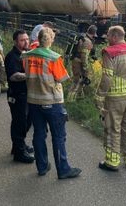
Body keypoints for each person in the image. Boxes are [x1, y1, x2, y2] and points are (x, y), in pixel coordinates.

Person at [22, 27, 81, 179]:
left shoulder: (27, 56)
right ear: (51, 39)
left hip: (33, 101)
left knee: (39, 134)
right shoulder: (54, 58)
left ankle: (42, 167)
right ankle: (63, 169)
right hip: (52, 102)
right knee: (58, 136)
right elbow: (62, 78)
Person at [94, 25, 126, 171]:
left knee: (112, 128)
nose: (106, 38)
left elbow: (107, 78)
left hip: (114, 98)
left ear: (115, 36)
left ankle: (112, 161)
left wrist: (99, 96)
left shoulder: (109, 53)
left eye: (108, 36)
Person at [5, 29, 35, 164]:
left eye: (27, 39)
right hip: (17, 95)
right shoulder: (12, 56)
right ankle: (19, 152)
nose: (26, 42)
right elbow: (13, 76)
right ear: (16, 42)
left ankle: (18, 145)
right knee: (19, 123)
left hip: (26, 94)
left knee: (26, 121)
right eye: (22, 40)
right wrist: (31, 75)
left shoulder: (25, 54)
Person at [69, 25, 97, 97]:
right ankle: (71, 98)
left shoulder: (83, 37)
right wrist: (85, 67)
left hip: (76, 61)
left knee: (80, 80)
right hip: (79, 62)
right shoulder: (87, 42)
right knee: (77, 80)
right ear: (94, 34)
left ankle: (79, 96)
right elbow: (84, 56)